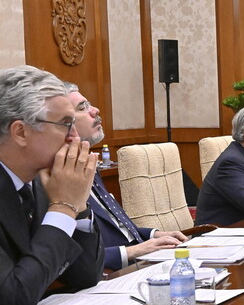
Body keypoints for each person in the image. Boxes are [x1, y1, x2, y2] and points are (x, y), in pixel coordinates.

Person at [0, 66, 103, 305]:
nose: (76, 137)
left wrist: (77, 203)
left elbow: (86, 275)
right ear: (21, 132)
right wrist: (63, 209)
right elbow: (13, 299)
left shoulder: (43, 179)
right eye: (66, 124)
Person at [64, 84, 188, 270]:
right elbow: (75, 261)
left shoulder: (88, 163)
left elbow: (119, 230)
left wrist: (154, 235)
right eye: (82, 108)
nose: (95, 110)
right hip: (112, 275)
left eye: (89, 104)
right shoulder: (57, 179)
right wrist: (132, 252)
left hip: (141, 263)